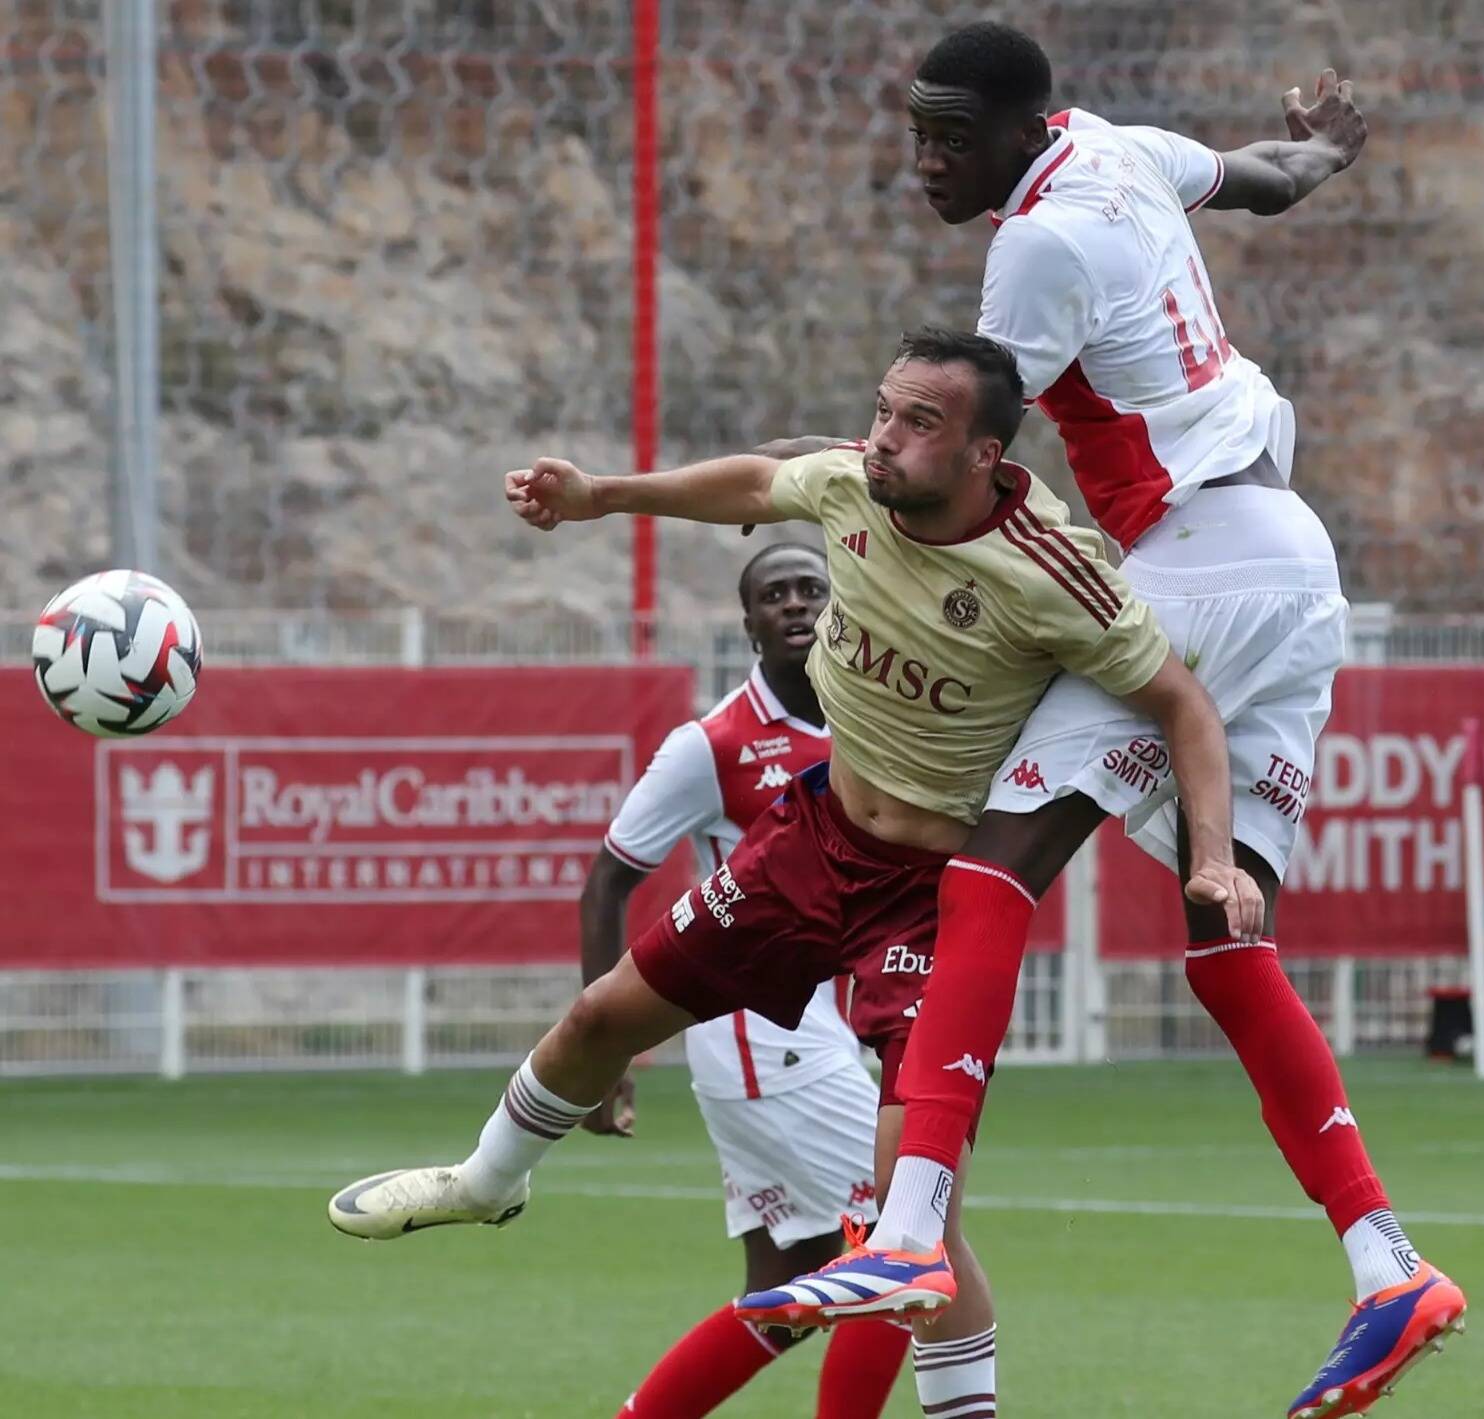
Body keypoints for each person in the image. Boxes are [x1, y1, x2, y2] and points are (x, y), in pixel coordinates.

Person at [327, 328, 1263, 1419]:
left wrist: (1214, 861)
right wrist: (598, 498)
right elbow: (761, 481)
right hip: (809, 847)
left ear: (984, 455)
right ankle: (484, 1184)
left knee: (916, 1226)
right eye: (881, 411)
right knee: (599, 1020)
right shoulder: (851, 490)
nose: (883, 441)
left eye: (920, 425)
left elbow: (1183, 706)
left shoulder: (1052, 573)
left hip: (936, 890)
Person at [766, 25, 1464, 1419]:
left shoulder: (1033, 245)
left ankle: (905, 1226)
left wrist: (872, 562)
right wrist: (1320, 148)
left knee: (988, 862)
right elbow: (1261, 177)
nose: (924, 160)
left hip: (1197, 551)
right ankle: (1385, 1262)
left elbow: (970, 454)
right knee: (1227, 923)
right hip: (1287, 558)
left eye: (948, 138)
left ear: (1018, 132)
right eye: (916, 131)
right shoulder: (1117, 149)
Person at [586, 542, 909, 1417]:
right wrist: (601, 1049)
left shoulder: (870, 715)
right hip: (759, 1035)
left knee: (793, 1284)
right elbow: (609, 876)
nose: (797, 605)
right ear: (749, 623)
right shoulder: (713, 742)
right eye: (776, 594)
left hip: (808, 1033)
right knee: (897, 1252)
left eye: (812, 589)